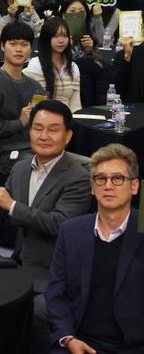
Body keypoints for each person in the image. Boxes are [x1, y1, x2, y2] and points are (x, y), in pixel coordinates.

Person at [0, 99, 91, 353]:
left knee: (32, 313)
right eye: (37, 128)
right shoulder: (21, 168)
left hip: (53, 275)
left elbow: (60, 224)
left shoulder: (78, 177)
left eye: (53, 130)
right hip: (17, 265)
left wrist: (11, 205)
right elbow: (1, 213)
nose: (44, 136)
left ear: (68, 136)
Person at [46, 144, 143, 354]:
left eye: (118, 178)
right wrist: (68, 338)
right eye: (100, 179)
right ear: (92, 186)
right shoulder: (71, 231)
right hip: (79, 343)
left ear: (134, 186)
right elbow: (56, 293)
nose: (108, 186)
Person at [0, 21, 44, 175]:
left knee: (84, 166)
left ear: (31, 48)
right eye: (13, 44)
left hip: (37, 148)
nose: (19, 49)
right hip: (9, 155)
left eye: (24, 44)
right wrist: (19, 123)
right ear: (3, 46)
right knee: (44, 171)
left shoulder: (35, 86)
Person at [23, 17, 82, 112]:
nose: (61, 40)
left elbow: (76, 105)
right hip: (44, 116)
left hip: (68, 117)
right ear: (46, 38)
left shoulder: (73, 67)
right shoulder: (36, 65)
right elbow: (37, 106)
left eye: (65, 36)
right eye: (55, 36)